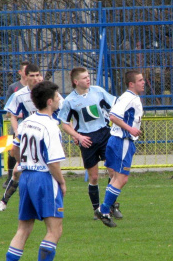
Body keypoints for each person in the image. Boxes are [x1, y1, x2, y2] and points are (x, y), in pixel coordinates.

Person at [5, 80, 66, 261]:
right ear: (49, 101)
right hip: (44, 179)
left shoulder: (26, 122)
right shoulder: (50, 127)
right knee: (54, 230)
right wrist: (62, 182)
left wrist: (22, 163)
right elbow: (53, 163)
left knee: (23, 229)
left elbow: (14, 150)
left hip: (26, 178)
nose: (58, 100)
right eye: (56, 97)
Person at [0, 63, 63, 211]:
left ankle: (52, 201)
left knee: (50, 167)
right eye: (32, 76)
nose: (36, 78)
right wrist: (17, 131)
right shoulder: (19, 95)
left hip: (46, 134)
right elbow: (11, 115)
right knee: (17, 170)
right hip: (28, 134)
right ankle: (4, 202)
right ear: (25, 77)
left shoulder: (50, 92)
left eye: (38, 75)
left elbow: (62, 111)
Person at [57, 67, 121, 220]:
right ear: (76, 81)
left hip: (105, 134)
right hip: (87, 139)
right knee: (93, 177)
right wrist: (78, 136)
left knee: (113, 172)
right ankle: (97, 210)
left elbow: (115, 105)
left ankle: (112, 206)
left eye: (88, 76)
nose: (88, 79)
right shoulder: (70, 101)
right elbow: (64, 123)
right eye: (84, 77)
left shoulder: (98, 91)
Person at [94, 70, 144, 227]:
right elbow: (113, 116)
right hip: (122, 141)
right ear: (131, 84)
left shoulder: (130, 97)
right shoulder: (129, 98)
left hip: (118, 140)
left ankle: (104, 210)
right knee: (121, 179)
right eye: (140, 80)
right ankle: (104, 210)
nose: (143, 82)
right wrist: (131, 129)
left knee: (116, 178)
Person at [3, 61, 30, 189]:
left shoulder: (37, 88)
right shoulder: (14, 88)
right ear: (20, 72)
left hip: (34, 127)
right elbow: (9, 112)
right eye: (25, 70)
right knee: (14, 151)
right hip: (19, 126)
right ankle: (10, 177)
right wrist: (18, 115)